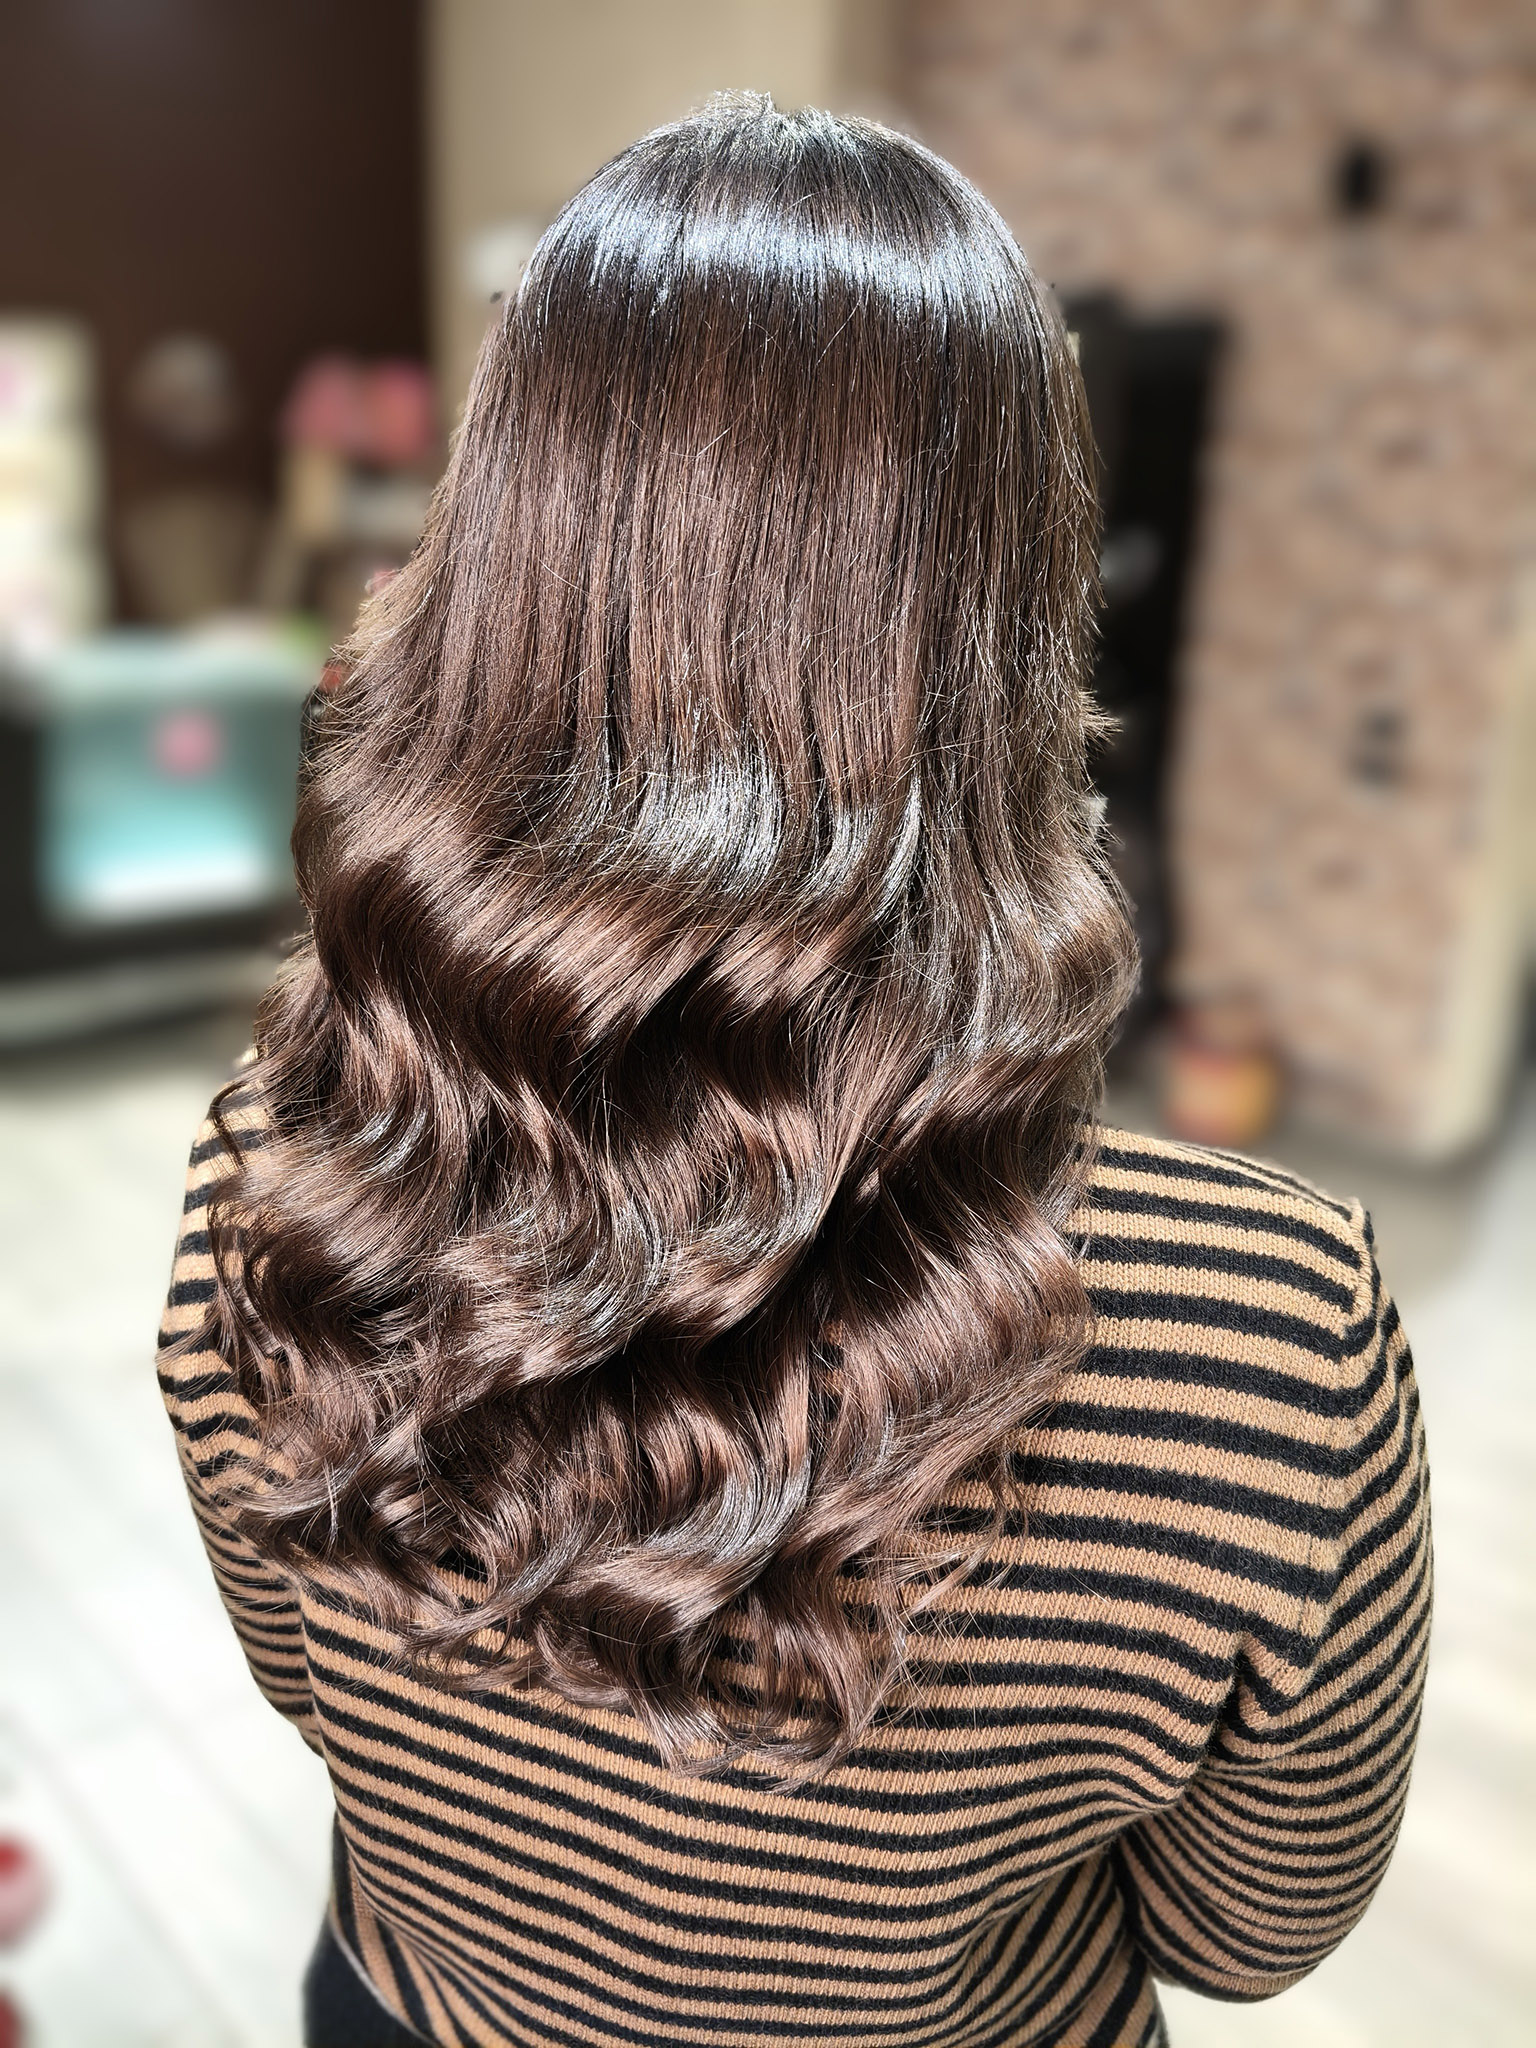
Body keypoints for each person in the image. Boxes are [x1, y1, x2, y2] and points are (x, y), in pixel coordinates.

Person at [157, 95, 1431, 2048]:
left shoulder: (276, 1180)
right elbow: (1244, 1931)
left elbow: (309, 1691)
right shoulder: (1265, 1331)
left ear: (498, 568)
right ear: (1008, 615)